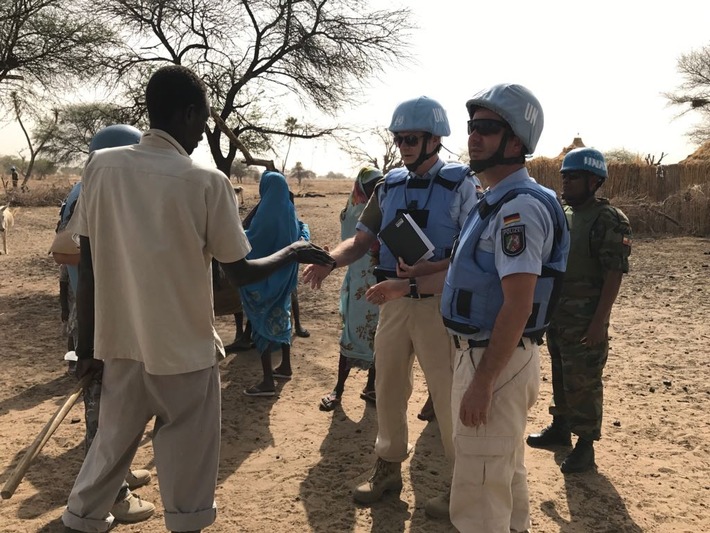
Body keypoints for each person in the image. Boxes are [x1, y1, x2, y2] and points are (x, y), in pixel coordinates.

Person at [62, 65, 332, 533]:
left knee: (107, 455)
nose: (203, 135)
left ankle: (82, 520)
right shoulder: (208, 184)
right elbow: (242, 273)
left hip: (120, 351)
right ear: (188, 114)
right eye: (203, 121)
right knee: (188, 484)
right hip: (185, 357)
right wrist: (292, 251)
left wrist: (87, 352)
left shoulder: (100, 169)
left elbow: (87, 271)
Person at [365, 83, 570, 532]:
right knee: (503, 481)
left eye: (488, 129)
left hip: (491, 359)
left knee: (478, 501)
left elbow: (516, 305)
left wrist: (482, 381)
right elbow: (468, 277)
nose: (474, 137)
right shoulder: (494, 202)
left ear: (516, 142)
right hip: (482, 354)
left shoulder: (518, 209)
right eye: (473, 127)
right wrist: (406, 284)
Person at [304, 96, 480, 518]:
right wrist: (329, 259)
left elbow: (471, 253)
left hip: (438, 304)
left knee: (445, 392)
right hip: (394, 304)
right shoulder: (388, 186)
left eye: (412, 138)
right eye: (399, 138)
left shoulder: (462, 185)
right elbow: (363, 240)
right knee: (387, 389)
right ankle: (387, 470)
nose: (403, 145)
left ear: (435, 139)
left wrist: (419, 274)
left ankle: (463, 485)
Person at [50, 125, 156, 525]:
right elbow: (70, 255)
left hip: (108, 314)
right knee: (105, 409)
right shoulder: (92, 191)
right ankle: (113, 496)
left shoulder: (96, 187)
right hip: (100, 320)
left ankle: (121, 473)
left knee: (123, 403)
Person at [526, 147, 632, 474]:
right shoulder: (565, 214)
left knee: (584, 380)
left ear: (594, 181)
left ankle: (586, 445)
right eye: (565, 176)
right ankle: (560, 428)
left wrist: (599, 321)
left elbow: (614, 273)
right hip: (559, 314)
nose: (566, 182)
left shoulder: (610, 220)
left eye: (574, 177)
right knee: (560, 373)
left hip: (587, 318)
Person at [319, 166, 383, 412]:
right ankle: (339, 389)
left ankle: (371, 386)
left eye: (380, 183)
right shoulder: (351, 213)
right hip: (357, 284)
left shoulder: (383, 209)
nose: (378, 188)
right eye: (373, 184)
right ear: (361, 186)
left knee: (378, 336)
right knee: (351, 334)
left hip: (380, 282)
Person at [240, 171, 305, 397]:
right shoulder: (290, 211)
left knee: (262, 325)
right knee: (282, 319)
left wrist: (257, 207)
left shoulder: (266, 214)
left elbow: (245, 236)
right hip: (285, 280)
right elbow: (302, 232)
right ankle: (285, 366)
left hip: (265, 281)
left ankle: (267, 381)